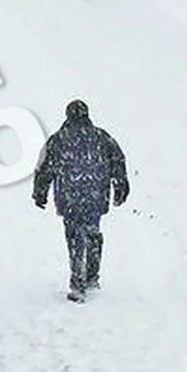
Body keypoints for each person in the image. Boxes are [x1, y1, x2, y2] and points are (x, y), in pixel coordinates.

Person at [32, 100, 130, 302]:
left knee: (75, 237)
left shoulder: (58, 140)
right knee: (93, 233)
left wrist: (40, 193)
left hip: (70, 198)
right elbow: (118, 161)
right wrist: (121, 186)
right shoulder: (102, 138)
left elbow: (44, 168)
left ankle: (77, 284)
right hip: (95, 196)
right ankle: (92, 277)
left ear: (67, 115)